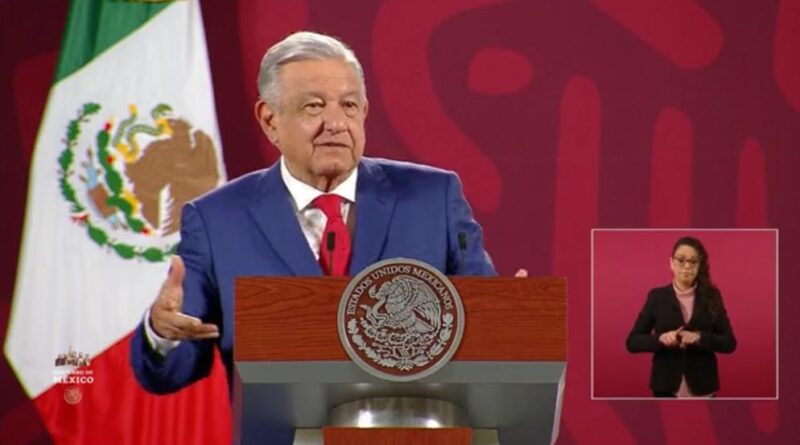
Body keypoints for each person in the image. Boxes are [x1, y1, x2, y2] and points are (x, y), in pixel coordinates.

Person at [130, 31, 499, 395]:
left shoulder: (433, 199)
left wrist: (509, 314)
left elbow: (488, 328)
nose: (336, 123)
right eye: (314, 107)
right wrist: (161, 332)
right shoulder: (217, 220)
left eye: (349, 105)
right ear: (270, 120)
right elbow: (172, 371)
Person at [626, 236, 736, 397]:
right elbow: (632, 342)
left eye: (693, 261)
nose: (687, 266)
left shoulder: (712, 296)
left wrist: (699, 338)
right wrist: (660, 338)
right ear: (671, 262)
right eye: (681, 260)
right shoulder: (657, 297)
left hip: (704, 388)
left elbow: (729, 343)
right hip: (666, 388)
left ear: (700, 266)